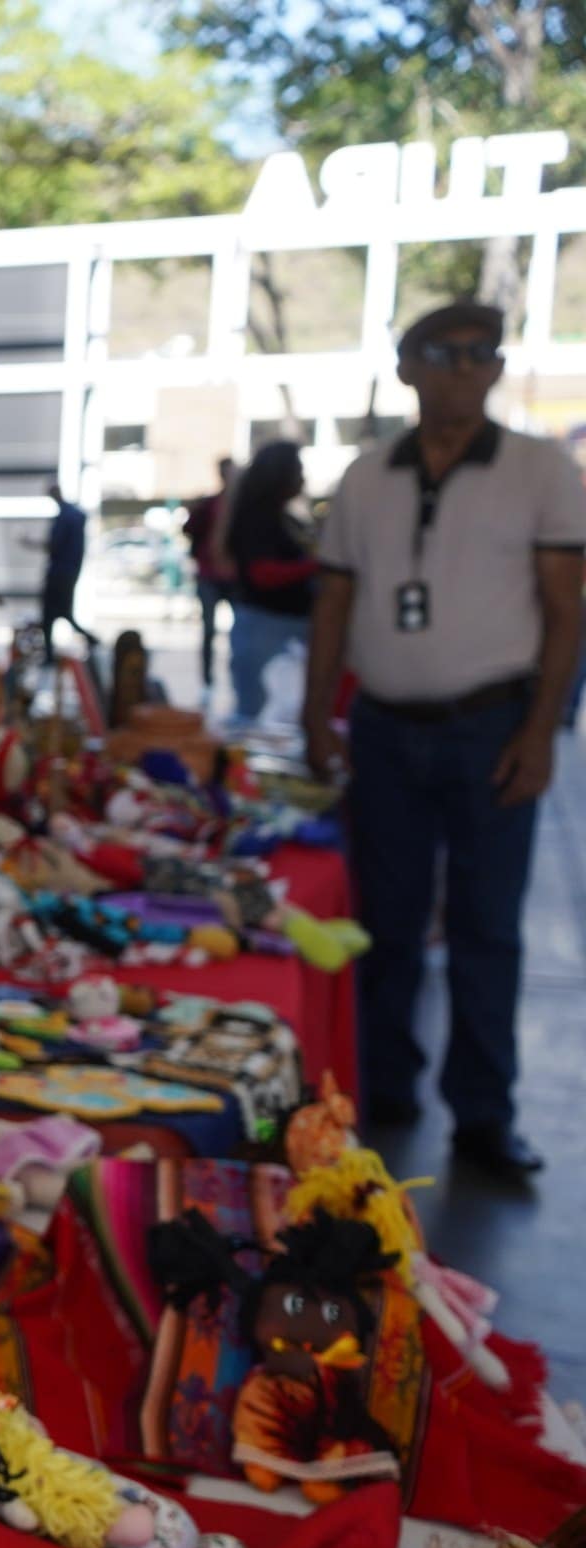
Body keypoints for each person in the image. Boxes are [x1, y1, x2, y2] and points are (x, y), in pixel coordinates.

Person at [305, 301, 586, 1179]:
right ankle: (384, 1089)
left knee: (485, 927)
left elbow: (566, 609)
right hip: (386, 728)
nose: (463, 368)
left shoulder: (540, 470)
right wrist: (317, 715)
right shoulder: (366, 476)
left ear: (498, 369)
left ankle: (483, 1115)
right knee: (385, 920)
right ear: (407, 369)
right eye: (442, 353)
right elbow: (335, 602)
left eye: (479, 354)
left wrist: (543, 730)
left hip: (492, 727)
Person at [223, 441, 318, 728]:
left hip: (281, 622)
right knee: (251, 715)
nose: (303, 479)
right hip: (265, 623)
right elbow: (261, 573)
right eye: (298, 471)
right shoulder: (258, 517)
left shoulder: (283, 517)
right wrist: (317, 566)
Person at [184, 456, 236, 696]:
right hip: (209, 575)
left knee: (240, 632)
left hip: (233, 577)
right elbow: (189, 528)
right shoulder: (211, 504)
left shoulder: (240, 505)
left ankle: (236, 678)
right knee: (208, 630)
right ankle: (207, 680)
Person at [30, 483, 97, 651]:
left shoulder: (65, 517)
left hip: (60, 572)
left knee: (51, 614)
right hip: (69, 571)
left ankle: (50, 655)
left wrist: (30, 543)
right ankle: (89, 640)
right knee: (61, 612)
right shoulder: (74, 515)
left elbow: (54, 545)